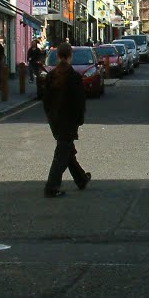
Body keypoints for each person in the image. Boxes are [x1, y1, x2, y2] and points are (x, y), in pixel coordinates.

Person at [42, 40, 91, 197]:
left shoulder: (51, 76)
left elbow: (45, 101)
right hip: (68, 121)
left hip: (55, 120)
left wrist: (50, 116)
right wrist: (79, 119)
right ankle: (51, 187)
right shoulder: (74, 77)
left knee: (66, 149)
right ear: (70, 56)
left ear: (57, 56)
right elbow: (79, 102)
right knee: (62, 153)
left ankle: (81, 178)